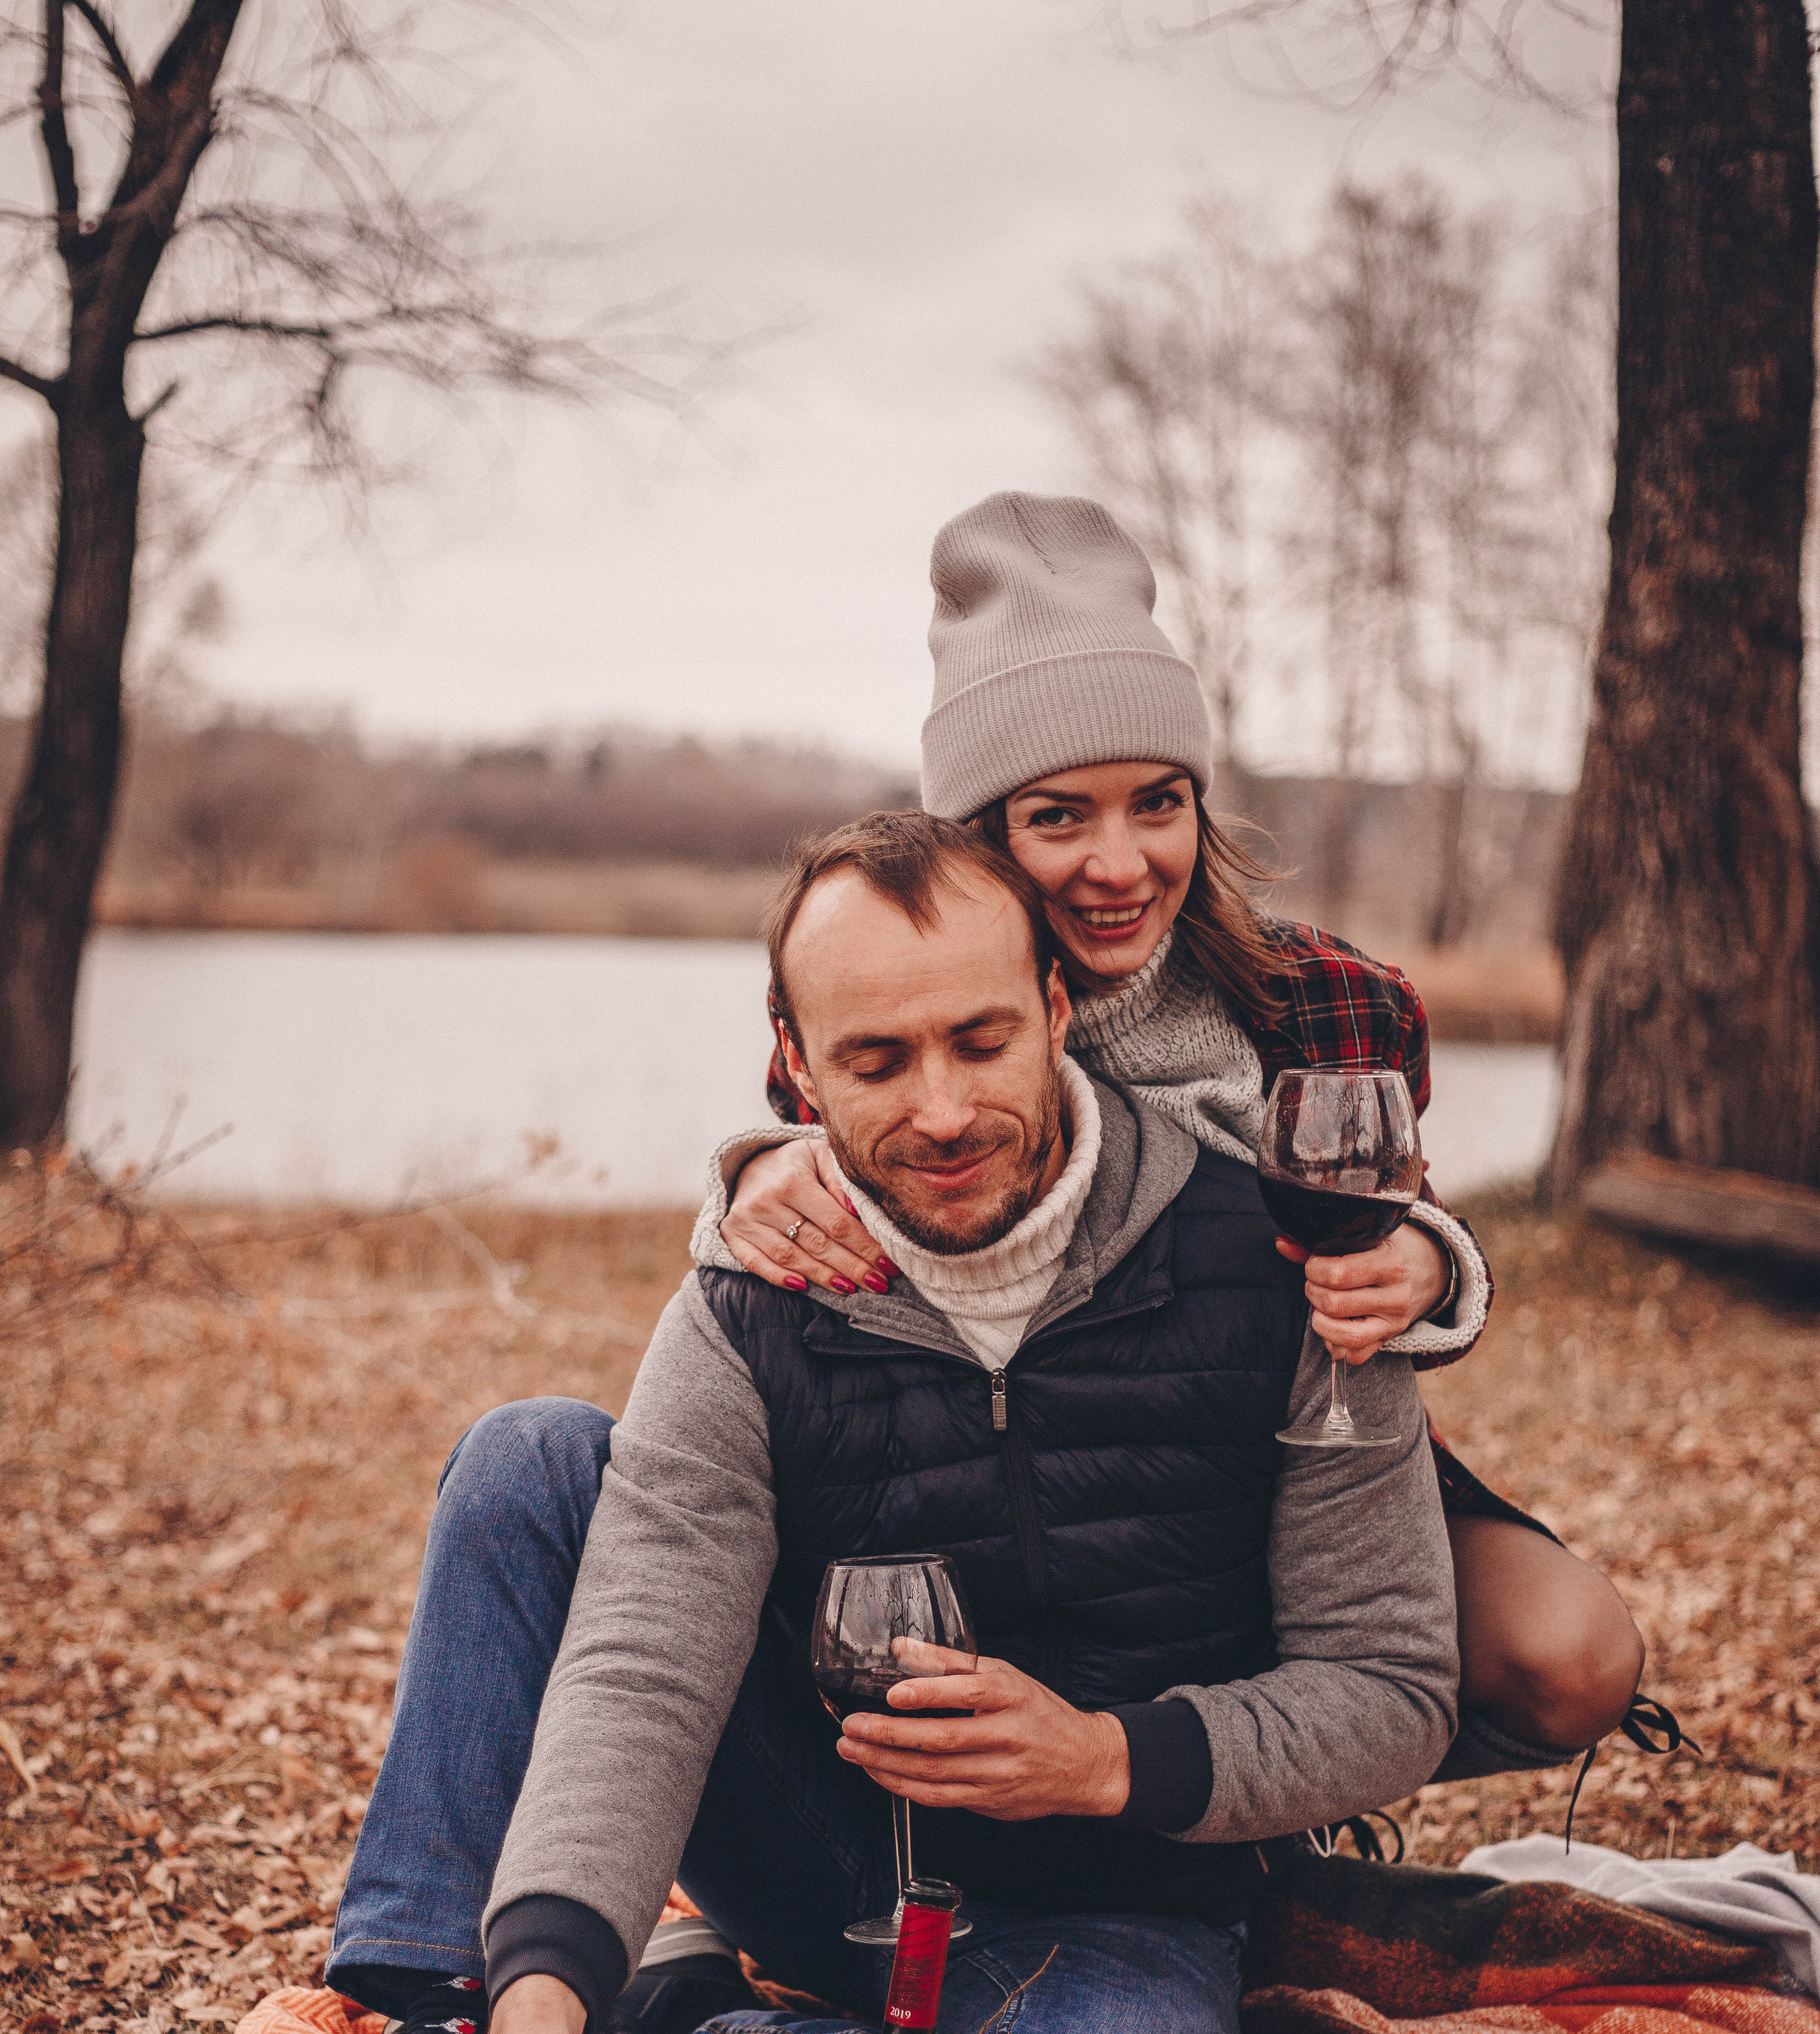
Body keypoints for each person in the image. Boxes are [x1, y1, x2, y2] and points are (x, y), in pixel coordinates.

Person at [138, 809, 1459, 2034]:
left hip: (1110, 1902)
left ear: (1053, 1007)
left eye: (976, 1039)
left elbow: (1390, 1683)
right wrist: (538, 1999)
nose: (942, 1109)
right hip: (817, 1850)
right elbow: (642, 1662)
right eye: (877, 1063)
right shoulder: (750, 1301)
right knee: (536, 1463)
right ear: (797, 1062)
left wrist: (1104, 1757)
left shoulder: (1289, 1267)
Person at [706, 492, 1648, 1780]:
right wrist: (751, 1176)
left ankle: (1282, 1783)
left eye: (1157, 803)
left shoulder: (1332, 1005)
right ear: (977, 834)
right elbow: (828, 1143)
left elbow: (1397, 1219)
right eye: (1057, 818)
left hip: (1288, 1443)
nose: (1120, 862)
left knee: (1574, 1654)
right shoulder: (927, 1009)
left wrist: (1432, 1266)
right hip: (1017, 1470)